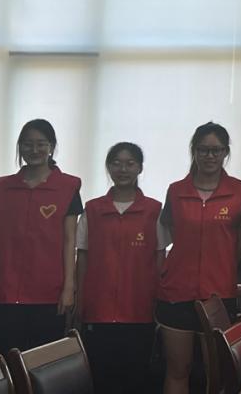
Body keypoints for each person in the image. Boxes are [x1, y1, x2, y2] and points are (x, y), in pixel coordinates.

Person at [156, 122, 241, 394]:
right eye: (203, 150)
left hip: (219, 294)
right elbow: (170, 234)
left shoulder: (239, 190)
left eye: (216, 150)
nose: (210, 156)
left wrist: (221, 264)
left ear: (225, 153)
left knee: (217, 373)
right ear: (194, 152)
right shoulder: (176, 191)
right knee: (178, 370)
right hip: (176, 293)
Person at [76, 142, 164, 394]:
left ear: (140, 168)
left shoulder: (153, 210)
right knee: (100, 377)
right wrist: (80, 301)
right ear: (108, 167)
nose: (123, 169)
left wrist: (158, 300)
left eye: (129, 163)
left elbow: (160, 259)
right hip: (98, 311)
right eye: (116, 163)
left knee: (136, 377)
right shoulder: (92, 209)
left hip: (140, 310)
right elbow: (82, 257)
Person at [0, 119, 82, 355]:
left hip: (48, 291)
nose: (34, 150)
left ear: (51, 147)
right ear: (19, 147)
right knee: (4, 359)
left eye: (41, 144)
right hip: (4, 289)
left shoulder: (68, 186)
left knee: (42, 360)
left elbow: (70, 240)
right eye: (27, 144)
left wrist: (69, 287)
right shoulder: (2, 187)